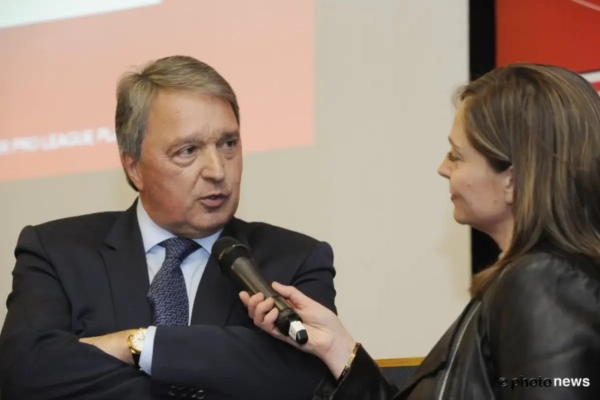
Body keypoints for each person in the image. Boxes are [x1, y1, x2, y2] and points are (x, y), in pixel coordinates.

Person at [242, 63, 600, 399]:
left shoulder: (543, 282)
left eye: (456, 156)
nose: (443, 168)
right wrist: (335, 345)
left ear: (512, 179)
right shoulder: (533, 280)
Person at [0, 55, 337, 400]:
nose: (217, 170)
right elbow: (23, 375)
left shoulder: (295, 260)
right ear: (134, 168)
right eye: (188, 150)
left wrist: (136, 344)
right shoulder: (56, 252)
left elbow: (303, 378)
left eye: (228, 144)